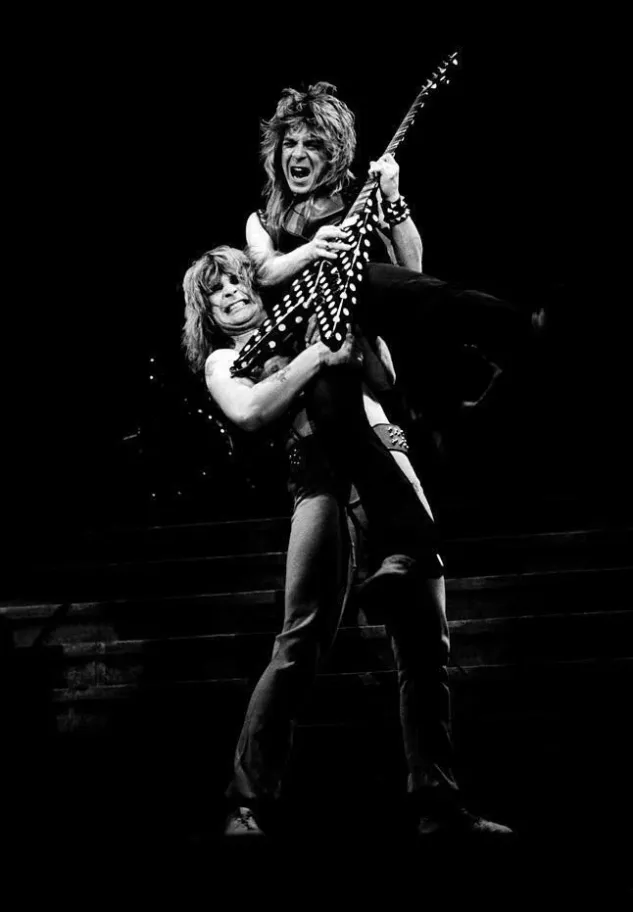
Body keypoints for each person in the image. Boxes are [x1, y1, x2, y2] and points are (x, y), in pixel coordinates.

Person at [182, 245, 513, 840]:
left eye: (236, 280)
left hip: (385, 456)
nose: (230, 292)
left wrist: (355, 326)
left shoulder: (317, 312)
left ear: (256, 284)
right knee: (301, 638)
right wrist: (316, 354)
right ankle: (247, 801)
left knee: (425, 640)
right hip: (318, 477)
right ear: (205, 311)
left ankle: (438, 803)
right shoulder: (227, 359)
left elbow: (384, 379)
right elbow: (250, 410)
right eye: (215, 290)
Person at [245, 81, 545, 417]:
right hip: (320, 346)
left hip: (383, 336)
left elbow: (413, 272)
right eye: (290, 143)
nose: (298, 153)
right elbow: (264, 272)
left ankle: (524, 328)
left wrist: (393, 198)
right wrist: (312, 250)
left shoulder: (359, 197)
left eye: (312, 144)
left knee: (377, 279)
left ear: (333, 154)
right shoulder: (263, 220)